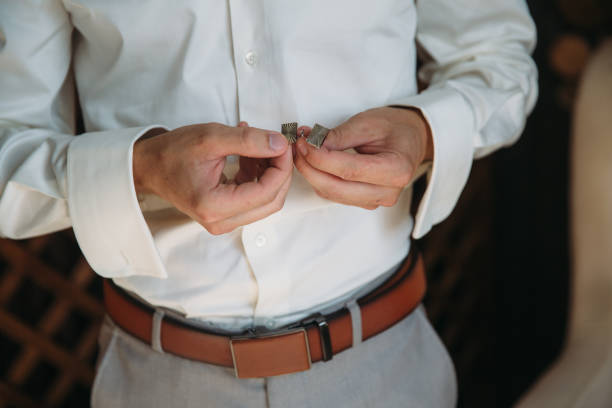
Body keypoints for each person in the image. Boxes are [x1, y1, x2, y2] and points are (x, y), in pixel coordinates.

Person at [0, 1, 537, 407]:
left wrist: (424, 132)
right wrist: (141, 168)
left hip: (387, 366)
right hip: (156, 379)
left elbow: (497, 62)